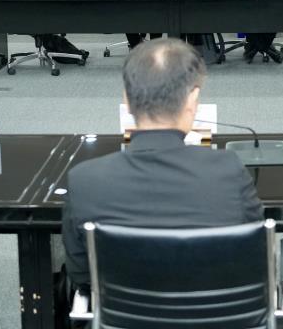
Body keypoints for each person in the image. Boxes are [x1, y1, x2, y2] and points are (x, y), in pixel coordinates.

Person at [60, 38, 264, 291]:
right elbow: (255, 258)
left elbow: (81, 274)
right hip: (214, 308)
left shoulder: (84, 182)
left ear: (126, 100)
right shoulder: (229, 171)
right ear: (192, 100)